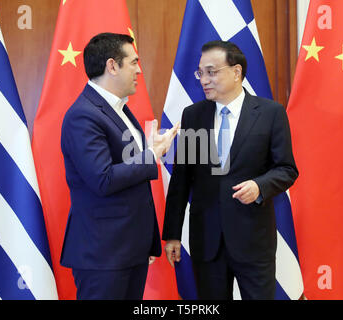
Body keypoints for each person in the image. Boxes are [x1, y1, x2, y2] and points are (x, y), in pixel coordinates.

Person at [162, 40, 298, 300]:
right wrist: (172, 234)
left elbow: (286, 169)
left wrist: (260, 186)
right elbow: (182, 179)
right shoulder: (194, 115)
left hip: (253, 240)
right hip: (207, 241)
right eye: (200, 73)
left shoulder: (270, 113)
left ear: (236, 72)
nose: (204, 79)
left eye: (212, 72)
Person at [60, 32, 178, 300]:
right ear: (112, 66)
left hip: (128, 249)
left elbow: (124, 165)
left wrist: (151, 149)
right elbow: (103, 179)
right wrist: (151, 155)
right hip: (104, 254)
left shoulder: (119, 109)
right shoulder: (83, 115)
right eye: (134, 62)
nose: (139, 70)